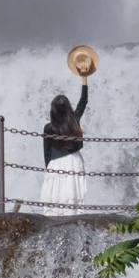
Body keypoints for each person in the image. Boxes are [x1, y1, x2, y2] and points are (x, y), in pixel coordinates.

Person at [39, 71, 89, 214]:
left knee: (55, 195)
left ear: (53, 110)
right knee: (72, 193)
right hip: (74, 160)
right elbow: (83, 101)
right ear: (68, 107)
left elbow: (47, 152)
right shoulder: (74, 120)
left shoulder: (49, 128)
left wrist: (48, 169)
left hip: (55, 164)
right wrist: (84, 78)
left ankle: (55, 216)